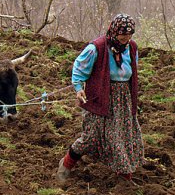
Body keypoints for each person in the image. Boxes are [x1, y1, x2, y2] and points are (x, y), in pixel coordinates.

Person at [57, 14, 143, 182]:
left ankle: (125, 178)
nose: (126, 38)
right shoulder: (97, 47)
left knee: (122, 136)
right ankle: (66, 163)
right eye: (123, 34)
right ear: (114, 31)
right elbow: (79, 68)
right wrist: (78, 88)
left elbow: (133, 68)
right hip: (100, 96)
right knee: (90, 138)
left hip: (123, 98)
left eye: (130, 35)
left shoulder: (132, 47)